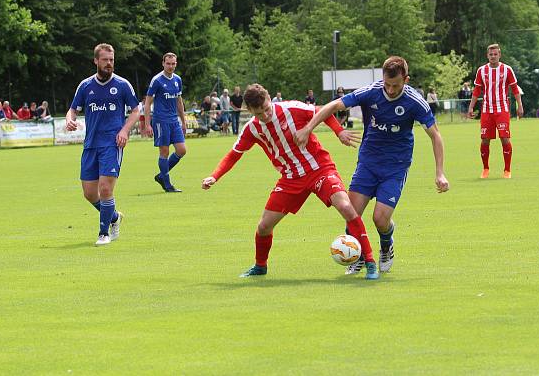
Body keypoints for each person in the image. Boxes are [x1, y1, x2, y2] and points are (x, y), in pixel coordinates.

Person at [201, 84, 379, 280]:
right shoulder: (251, 128)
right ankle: (260, 266)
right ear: (250, 110)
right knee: (263, 227)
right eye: (260, 113)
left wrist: (339, 131)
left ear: (269, 98)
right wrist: (215, 176)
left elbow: (323, 112)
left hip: (319, 168)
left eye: (267, 109)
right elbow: (234, 155)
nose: (266, 115)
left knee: (346, 207)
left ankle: (370, 261)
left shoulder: (291, 108)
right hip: (291, 179)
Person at [295, 56, 450, 275]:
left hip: (395, 166)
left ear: (406, 79)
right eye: (387, 84)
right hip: (368, 162)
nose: (390, 89)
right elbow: (333, 105)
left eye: (396, 85)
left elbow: (435, 136)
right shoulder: (371, 92)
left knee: (380, 219)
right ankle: (357, 256)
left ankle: (386, 246)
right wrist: (308, 128)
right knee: (351, 214)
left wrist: (440, 173)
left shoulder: (415, 102)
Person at [66, 43, 140, 246]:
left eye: (112, 60)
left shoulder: (123, 85)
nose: (109, 64)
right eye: (106, 60)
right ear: (96, 61)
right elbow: (73, 109)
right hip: (90, 144)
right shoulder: (85, 86)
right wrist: (69, 119)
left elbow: (136, 110)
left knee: (105, 189)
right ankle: (114, 216)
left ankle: (103, 232)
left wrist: (124, 130)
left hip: (112, 143)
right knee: (90, 194)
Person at [467, 44, 524, 179]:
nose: (493, 56)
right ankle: (485, 169)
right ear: (487, 56)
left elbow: (515, 89)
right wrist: (471, 107)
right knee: (485, 140)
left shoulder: (507, 70)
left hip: (502, 109)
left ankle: (507, 170)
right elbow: (477, 91)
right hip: (487, 110)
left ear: (499, 55)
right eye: (490, 54)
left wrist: (520, 106)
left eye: (495, 54)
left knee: (505, 138)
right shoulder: (482, 70)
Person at [142, 53, 187, 193]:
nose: (171, 66)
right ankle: (167, 184)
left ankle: (162, 176)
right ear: (163, 63)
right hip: (161, 120)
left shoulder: (177, 80)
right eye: (168, 63)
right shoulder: (157, 80)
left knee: (181, 150)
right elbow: (148, 103)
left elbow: (179, 101)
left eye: (173, 64)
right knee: (165, 151)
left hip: (174, 121)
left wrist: (183, 121)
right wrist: (147, 124)